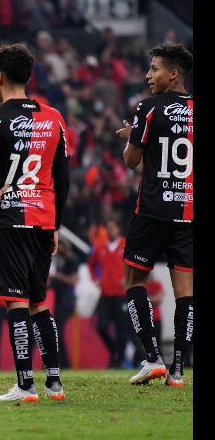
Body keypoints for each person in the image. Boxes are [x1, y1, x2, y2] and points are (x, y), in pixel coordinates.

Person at [0, 44, 70, 402]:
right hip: (43, 219)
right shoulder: (54, 118)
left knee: (16, 302)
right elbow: (63, 176)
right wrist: (57, 224)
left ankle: (25, 384)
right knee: (40, 300)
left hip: (9, 218)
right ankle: (54, 382)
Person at [115, 43, 193, 387]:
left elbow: (132, 161)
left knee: (132, 281)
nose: (148, 75)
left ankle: (151, 358)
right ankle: (178, 371)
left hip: (152, 210)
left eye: (155, 69)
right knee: (186, 293)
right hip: (188, 212)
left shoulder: (148, 108)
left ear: (173, 73)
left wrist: (131, 138)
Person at [87, 217, 131, 368]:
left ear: (119, 228)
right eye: (109, 227)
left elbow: (133, 262)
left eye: (113, 227)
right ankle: (114, 352)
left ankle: (119, 360)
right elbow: (91, 264)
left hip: (120, 293)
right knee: (101, 326)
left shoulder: (126, 244)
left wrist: (128, 277)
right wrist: (95, 279)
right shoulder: (102, 247)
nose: (111, 230)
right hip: (106, 293)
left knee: (121, 328)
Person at [48, 240, 78, 369]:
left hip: (67, 300)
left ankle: (64, 362)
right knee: (56, 331)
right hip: (60, 299)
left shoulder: (71, 260)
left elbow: (73, 281)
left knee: (57, 331)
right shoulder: (61, 260)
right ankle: (62, 362)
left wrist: (57, 277)